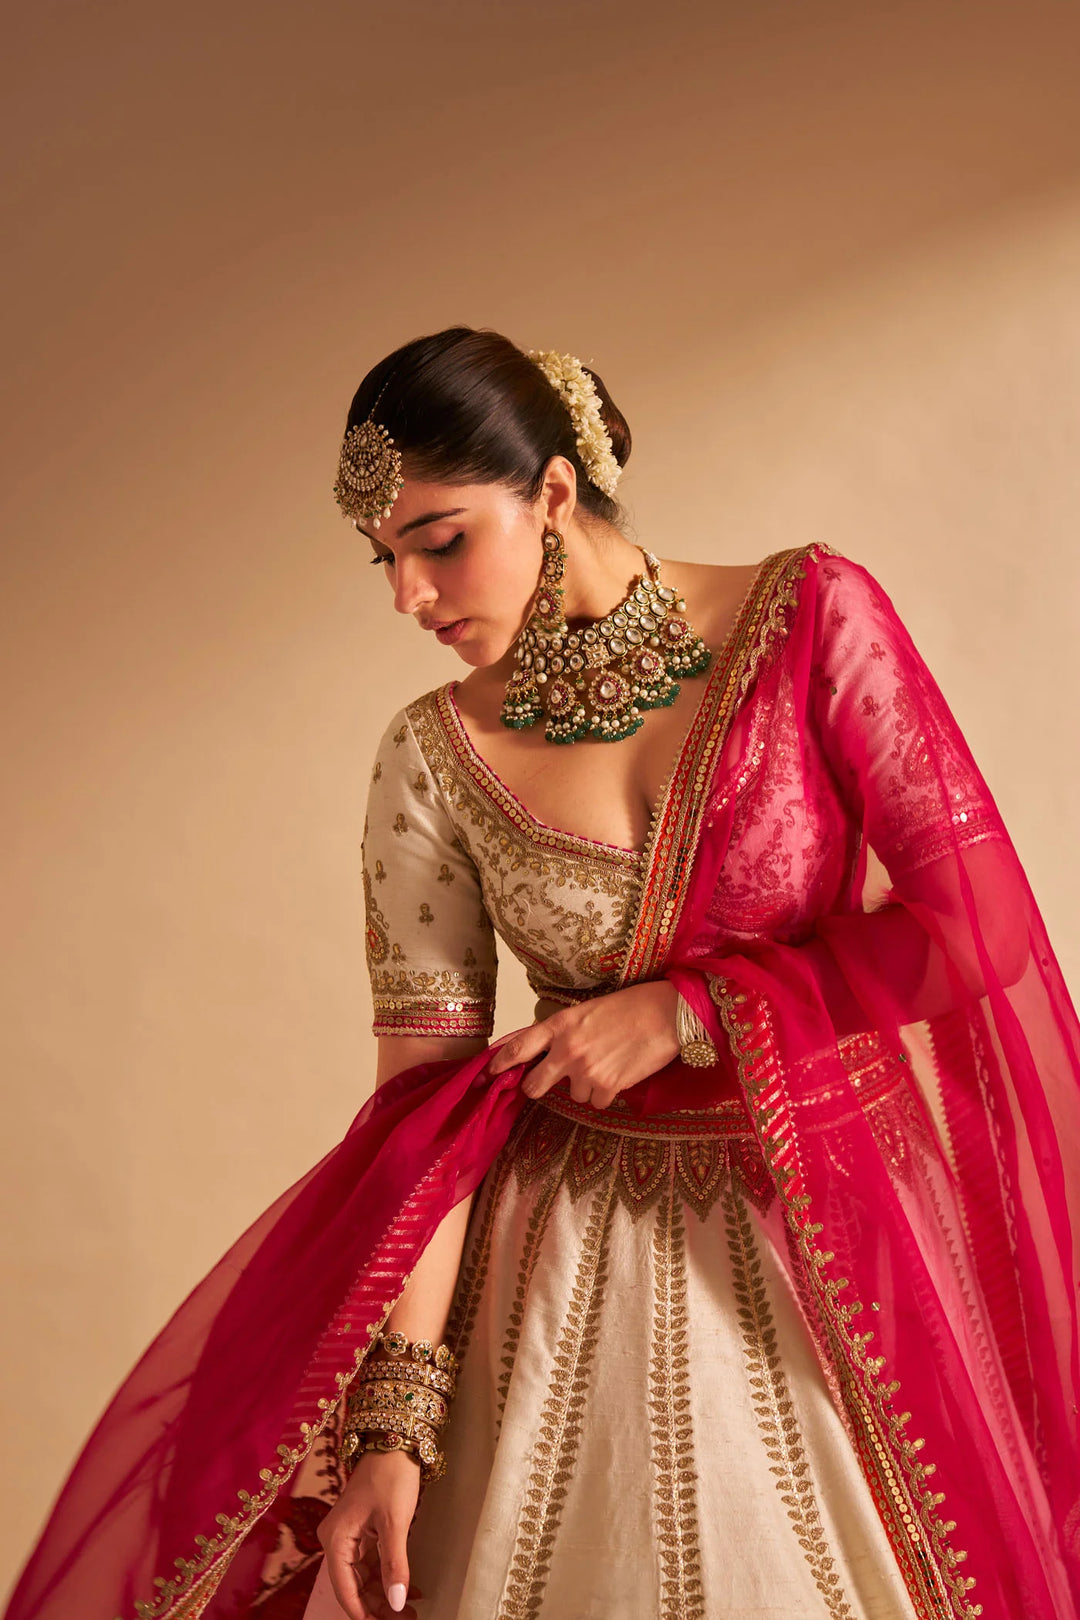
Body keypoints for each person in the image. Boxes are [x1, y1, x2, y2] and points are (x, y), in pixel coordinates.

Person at [5, 327, 1079, 1620]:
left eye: (440, 540)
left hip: (833, 1225)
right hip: (564, 1263)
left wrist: (689, 1013)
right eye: (384, 558)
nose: (409, 595)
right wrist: (393, 1430)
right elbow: (423, 1112)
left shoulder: (809, 621)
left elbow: (980, 929)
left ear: (555, 491)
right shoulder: (431, 754)